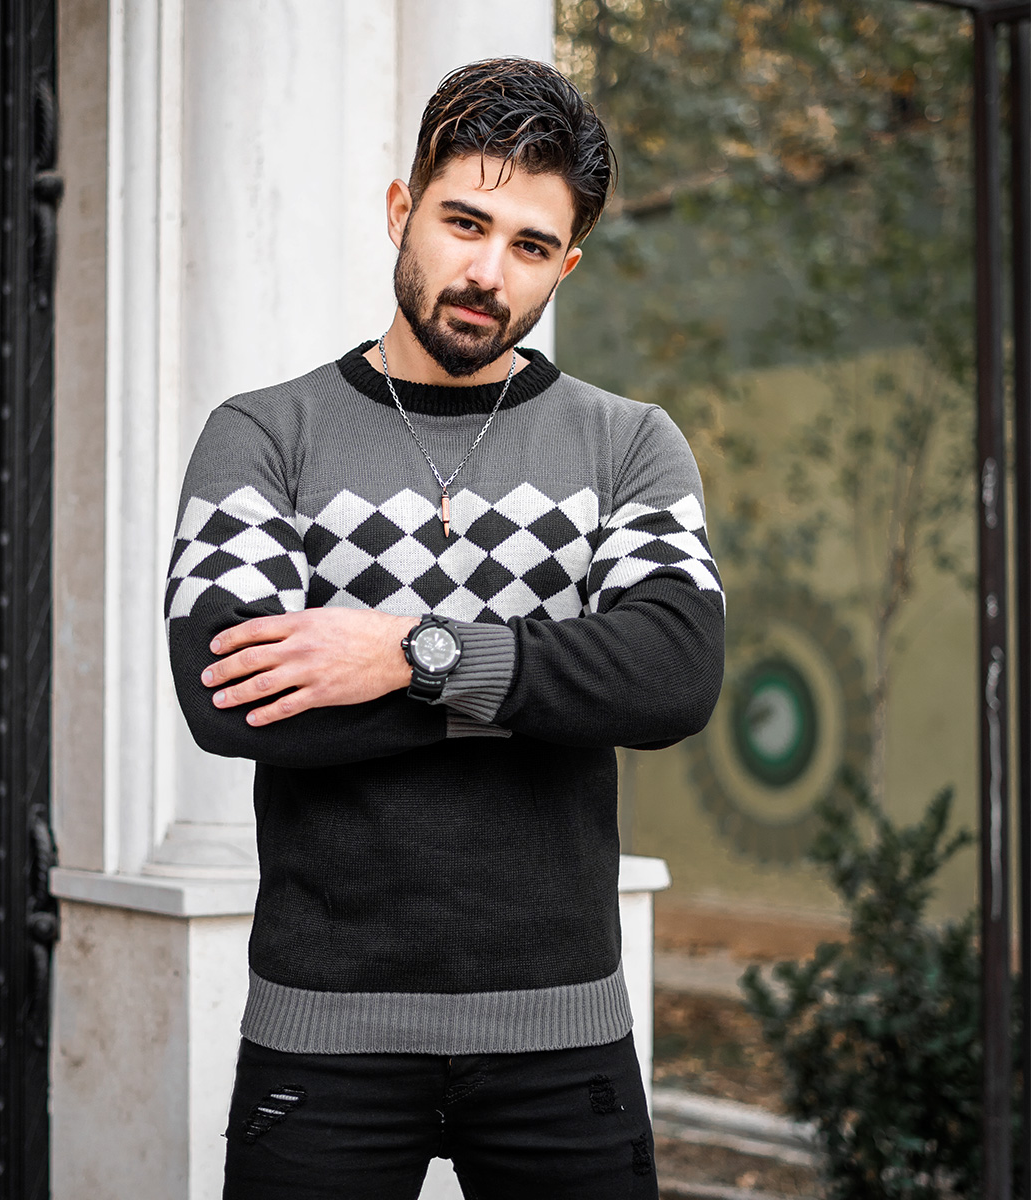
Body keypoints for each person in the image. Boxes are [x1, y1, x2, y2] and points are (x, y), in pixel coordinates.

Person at [166, 56, 724, 1200]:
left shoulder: (628, 444)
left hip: (564, 1032)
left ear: (566, 265)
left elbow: (672, 674)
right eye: (464, 222)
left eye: (530, 246)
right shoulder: (264, 437)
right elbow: (231, 698)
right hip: (323, 1031)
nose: (487, 271)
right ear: (401, 209)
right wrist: (546, 688)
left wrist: (403, 656)